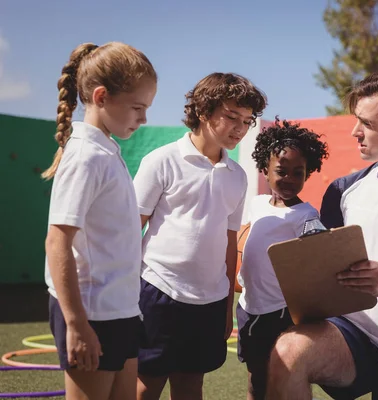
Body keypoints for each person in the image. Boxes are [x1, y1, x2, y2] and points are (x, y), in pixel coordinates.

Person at [266, 70, 378, 400]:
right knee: (289, 352)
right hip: (355, 336)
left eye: (366, 123)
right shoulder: (343, 191)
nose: (355, 131)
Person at [133, 73, 267, 400]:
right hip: (158, 290)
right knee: (146, 384)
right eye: (232, 116)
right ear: (203, 112)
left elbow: (229, 240)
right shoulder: (161, 161)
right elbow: (129, 229)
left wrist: (225, 305)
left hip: (209, 301)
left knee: (192, 384)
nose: (240, 127)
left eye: (247, 121)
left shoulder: (237, 176)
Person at [44, 42, 157, 400]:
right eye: (138, 108)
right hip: (91, 313)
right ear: (102, 96)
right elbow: (57, 242)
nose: (143, 119)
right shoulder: (86, 156)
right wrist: (77, 324)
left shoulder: (107, 150)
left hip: (119, 309)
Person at [236, 118, 329, 400]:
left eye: (297, 172)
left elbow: (318, 248)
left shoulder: (306, 215)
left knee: (283, 377)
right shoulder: (257, 203)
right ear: (265, 169)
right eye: (281, 171)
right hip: (249, 306)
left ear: (307, 173)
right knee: (256, 377)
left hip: (281, 311)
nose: (289, 178)